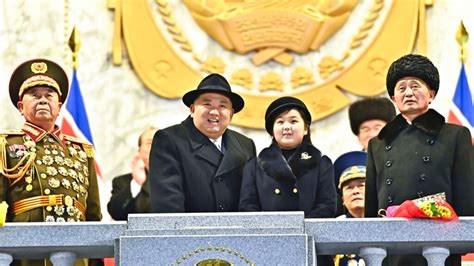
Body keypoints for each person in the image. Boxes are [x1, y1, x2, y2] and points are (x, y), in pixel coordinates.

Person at [365, 54, 474, 265]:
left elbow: (466, 193)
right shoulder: (377, 143)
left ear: (431, 94)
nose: (408, 93)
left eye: (415, 86)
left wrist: (464, 238)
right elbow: (372, 203)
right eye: (401, 88)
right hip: (391, 244)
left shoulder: (455, 135)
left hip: (439, 242)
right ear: (393, 98)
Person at [0, 58, 102, 265]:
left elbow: (93, 214)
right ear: (21, 106)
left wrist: (95, 259)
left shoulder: (81, 150)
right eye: (34, 96)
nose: (43, 100)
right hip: (26, 252)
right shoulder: (6, 145)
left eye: (49, 95)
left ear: (59, 105)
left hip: (75, 250)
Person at [239, 96, 336, 265]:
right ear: (272, 130)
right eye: (280, 122)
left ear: (305, 128)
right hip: (268, 246)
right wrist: (274, 228)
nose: (286, 127)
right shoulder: (255, 165)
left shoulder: (321, 163)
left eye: (293, 121)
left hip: (312, 245)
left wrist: (299, 228)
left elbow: (327, 205)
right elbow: (247, 206)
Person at [149, 73, 256, 213]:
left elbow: (251, 199)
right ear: (192, 109)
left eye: (222, 106)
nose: (214, 112)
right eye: (207, 104)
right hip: (190, 233)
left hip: (236, 233)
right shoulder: (169, 140)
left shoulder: (245, 145)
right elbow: (168, 205)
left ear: (231, 113)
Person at [107, 127, 158, 220]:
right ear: (139, 150)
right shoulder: (121, 182)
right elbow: (116, 214)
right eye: (150, 143)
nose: (156, 146)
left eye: (161, 142)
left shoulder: (180, 179)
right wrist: (137, 184)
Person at [333, 151, 366, 266]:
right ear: (342, 199)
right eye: (349, 188)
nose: (356, 191)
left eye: (362, 185)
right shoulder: (333, 228)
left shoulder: (386, 223)